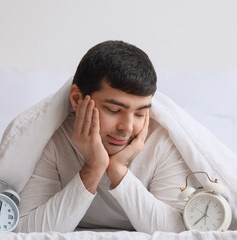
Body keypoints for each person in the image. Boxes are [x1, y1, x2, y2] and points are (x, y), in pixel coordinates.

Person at [16, 40, 194, 233]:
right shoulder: (51, 137)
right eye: (113, 110)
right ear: (77, 99)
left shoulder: (161, 139)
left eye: (140, 114)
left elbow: (179, 231)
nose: (126, 127)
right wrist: (93, 168)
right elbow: (28, 231)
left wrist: (118, 171)